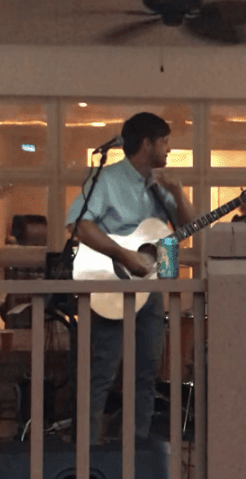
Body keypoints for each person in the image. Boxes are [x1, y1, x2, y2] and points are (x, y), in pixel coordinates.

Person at [66, 111, 194, 443]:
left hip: (148, 291)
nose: (169, 148)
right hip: (110, 286)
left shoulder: (159, 183)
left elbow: (185, 228)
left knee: (146, 373)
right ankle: (88, 450)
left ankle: (136, 446)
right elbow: (79, 225)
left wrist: (178, 193)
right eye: (165, 141)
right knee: (101, 373)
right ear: (148, 143)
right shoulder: (107, 179)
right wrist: (123, 255)